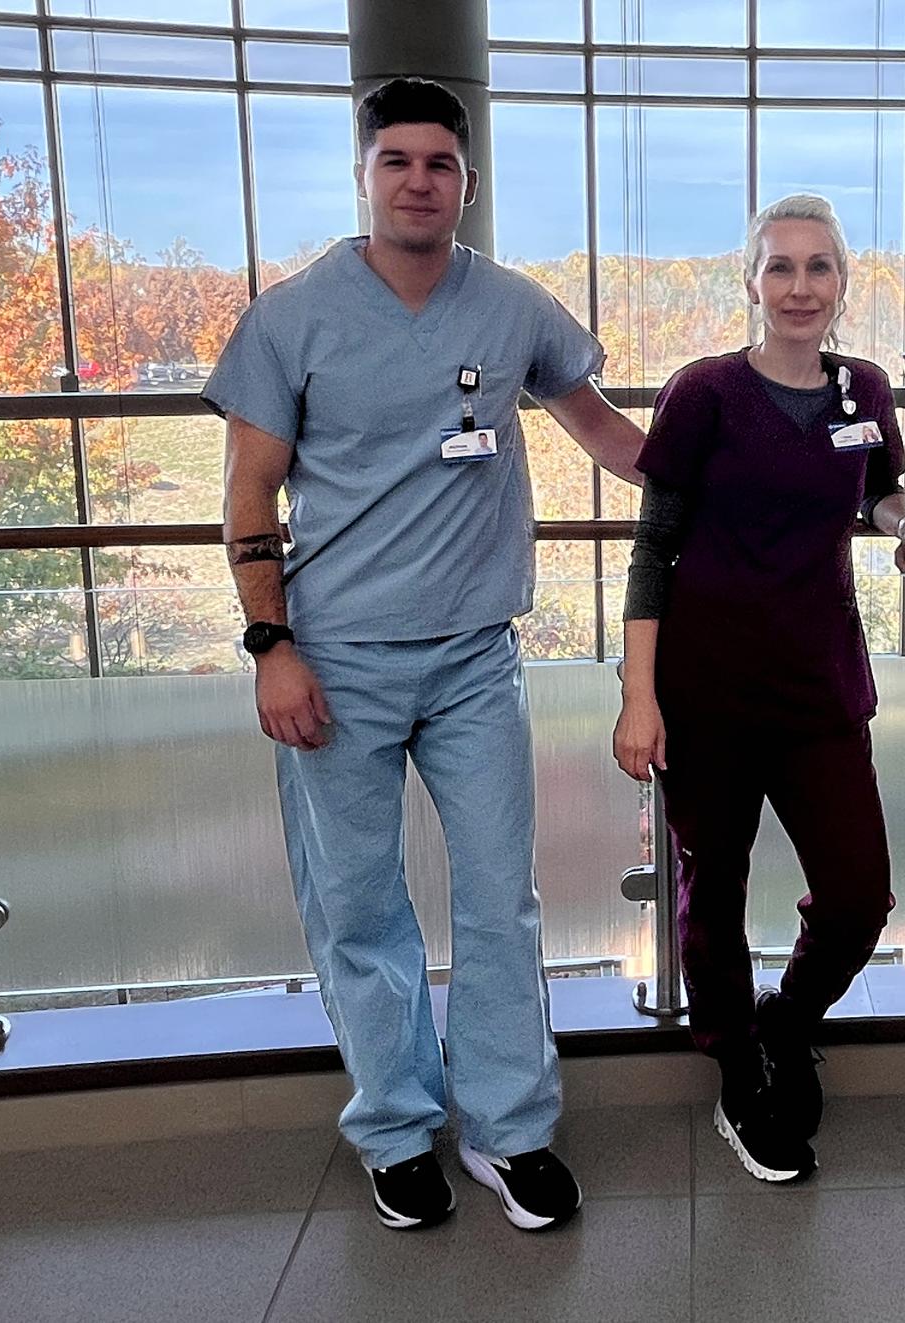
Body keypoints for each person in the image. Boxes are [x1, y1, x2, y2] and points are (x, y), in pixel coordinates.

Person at [206, 77, 645, 1233]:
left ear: (466, 182)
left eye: (439, 164)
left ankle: (509, 1130)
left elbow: (598, 427)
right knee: (359, 909)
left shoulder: (510, 308)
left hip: (472, 660)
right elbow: (249, 489)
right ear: (364, 176)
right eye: (396, 161)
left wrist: (735, 478)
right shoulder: (293, 318)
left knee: (503, 902)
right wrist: (271, 646)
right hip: (335, 659)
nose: (418, 181)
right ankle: (397, 1131)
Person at [612, 194, 905, 1183]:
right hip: (705, 689)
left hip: (818, 686)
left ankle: (783, 1023)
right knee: (713, 892)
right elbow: (652, 551)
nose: (801, 287)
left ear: (844, 282)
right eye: (781, 268)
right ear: (751, 283)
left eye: (820, 268)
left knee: (856, 895)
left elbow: (882, 487)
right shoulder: (705, 394)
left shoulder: (866, 389)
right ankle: (736, 1072)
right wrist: (640, 697)